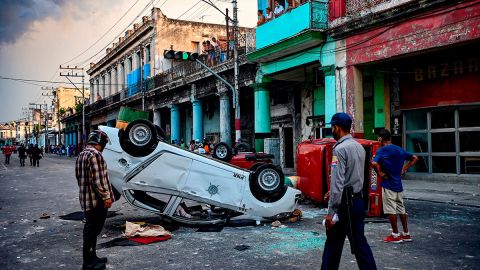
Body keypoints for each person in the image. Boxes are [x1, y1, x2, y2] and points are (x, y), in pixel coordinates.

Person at [321, 113, 377, 270]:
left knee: (332, 245)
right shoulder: (359, 147)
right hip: (357, 202)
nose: (331, 130)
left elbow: (338, 181)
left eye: (332, 127)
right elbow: (355, 176)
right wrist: (332, 192)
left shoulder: (339, 149)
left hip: (344, 206)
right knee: (360, 244)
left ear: (337, 128)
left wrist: (331, 212)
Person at [75, 130, 115, 270]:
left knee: (90, 229)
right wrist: (107, 196)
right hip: (96, 201)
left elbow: (79, 177)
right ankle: (89, 263)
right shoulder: (95, 155)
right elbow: (98, 181)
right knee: (92, 230)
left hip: (86, 198)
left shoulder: (82, 154)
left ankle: (92, 258)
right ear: (100, 142)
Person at [372, 129, 418, 243]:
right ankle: (406, 234)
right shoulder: (399, 149)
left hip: (388, 185)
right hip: (398, 186)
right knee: (401, 209)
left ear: (380, 139)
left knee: (390, 210)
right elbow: (415, 158)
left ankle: (395, 235)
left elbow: (373, 163)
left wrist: (380, 173)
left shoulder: (382, 150)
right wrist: (404, 169)